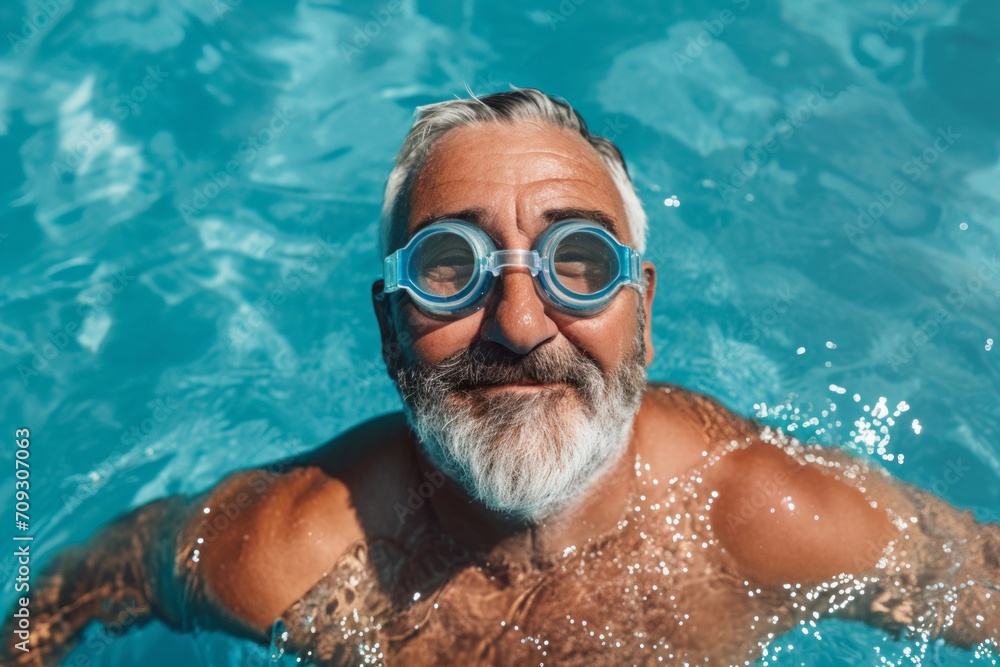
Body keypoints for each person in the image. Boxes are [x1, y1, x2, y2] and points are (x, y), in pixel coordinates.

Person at [4, 88, 998, 666]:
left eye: (578, 262)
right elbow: (107, 576)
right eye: (449, 269)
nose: (521, 324)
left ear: (641, 312)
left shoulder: (768, 519)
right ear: (392, 331)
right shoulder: (285, 553)